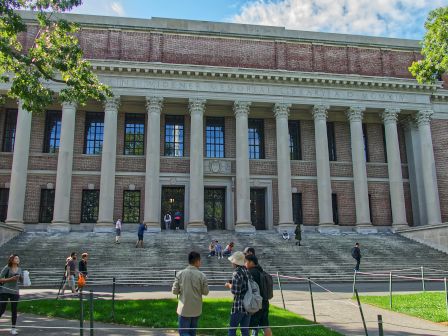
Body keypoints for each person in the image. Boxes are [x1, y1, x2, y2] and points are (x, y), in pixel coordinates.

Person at [172, 251, 209, 336]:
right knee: (193, 332)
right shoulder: (202, 275)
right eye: (200, 260)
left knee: (184, 332)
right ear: (197, 261)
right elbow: (206, 292)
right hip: (196, 309)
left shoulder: (180, 274)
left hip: (184, 308)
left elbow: (174, 291)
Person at [245, 255, 272, 336]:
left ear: (251, 262)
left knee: (247, 326)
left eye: (246, 261)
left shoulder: (250, 273)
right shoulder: (262, 271)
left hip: (256, 303)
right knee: (265, 325)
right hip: (265, 302)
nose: (244, 264)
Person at [225, 251, 251, 336]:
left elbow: (236, 291)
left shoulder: (236, 272)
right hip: (248, 305)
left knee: (232, 329)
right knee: (245, 330)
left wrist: (229, 285)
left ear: (235, 262)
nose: (231, 263)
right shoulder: (247, 271)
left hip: (239, 305)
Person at [0, 255, 23, 335]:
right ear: (12, 260)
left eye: (18, 258)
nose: (18, 260)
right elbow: (0, 279)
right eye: (16, 258)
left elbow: (22, 281)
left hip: (15, 292)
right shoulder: (7, 268)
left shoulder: (20, 269)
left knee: (14, 310)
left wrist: (22, 278)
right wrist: (10, 279)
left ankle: (13, 328)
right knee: (2, 309)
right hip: (5, 291)